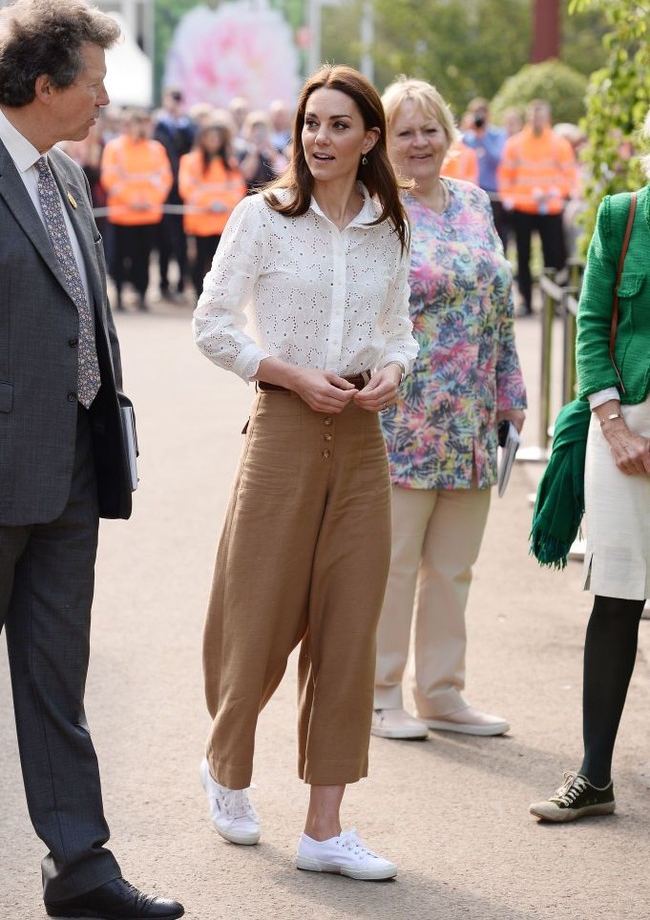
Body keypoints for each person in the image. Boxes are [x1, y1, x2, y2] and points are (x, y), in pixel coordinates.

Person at [193, 64, 418, 880]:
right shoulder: (263, 217)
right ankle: (226, 769)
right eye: (310, 123)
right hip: (284, 426)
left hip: (363, 436)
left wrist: (394, 368)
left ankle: (326, 827)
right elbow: (211, 325)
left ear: (368, 139)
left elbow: (399, 328)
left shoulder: (388, 226)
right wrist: (287, 374)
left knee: (349, 625)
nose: (319, 138)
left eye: (336, 125)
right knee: (258, 614)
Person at [0, 0, 183, 919]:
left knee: (56, 681)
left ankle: (81, 871)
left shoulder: (69, 174)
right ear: (44, 84)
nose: (107, 99)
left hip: (72, 470)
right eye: (96, 82)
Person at [371, 77, 527, 741]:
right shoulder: (375, 211)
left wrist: (511, 394)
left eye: (428, 128)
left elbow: (498, 309)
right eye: (404, 131)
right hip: (402, 416)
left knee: (454, 566)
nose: (418, 143)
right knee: (394, 561)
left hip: (470, 419)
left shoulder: (473, 201)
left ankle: (441, 691)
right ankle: (378, 692)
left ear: (448, 134)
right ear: (384, 141)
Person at [529, 114, 650, 823]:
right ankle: (593, 775)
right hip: (623, 430)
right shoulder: (622, 215)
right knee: (617, 596)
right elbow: (592, 322)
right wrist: (613, 424)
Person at [497, 99, 578, 316]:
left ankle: (554, 301)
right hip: (523, 207)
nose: (536, 121)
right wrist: (508, 198)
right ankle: (526, 301)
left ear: (548, 118)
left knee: (554, 256)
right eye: (533, 117)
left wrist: (555, 191)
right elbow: (505, 175)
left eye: (540, 117)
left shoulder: (559, 144)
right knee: (523, 257)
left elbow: (570, 176)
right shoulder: (515, 144)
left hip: (550, 209)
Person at [100, 108, 173, 311]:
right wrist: (132, 200)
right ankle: (120, 296)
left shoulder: (155, 148)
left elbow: (164, 178)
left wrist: (149, 200)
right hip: (122, 214)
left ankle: (141, 296)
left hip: (147, 214)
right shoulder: (114, 148)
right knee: (118, 258)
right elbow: (110, 178)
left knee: (144, 258)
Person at [178, 112, 246, 298]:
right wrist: (210, 202)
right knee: (199, 259)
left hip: (222, 222)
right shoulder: (190, 161)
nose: (213, 142)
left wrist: (222, 203)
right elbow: (187, 188)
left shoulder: (229, 163)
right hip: (200, 222)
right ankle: (198, 295)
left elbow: (237, 188)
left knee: (221, 262)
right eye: (210, 138)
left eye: (217, 138)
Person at [152, 87, 195, 300]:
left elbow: (191, 145)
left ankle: (180, 284)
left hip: (181, 191)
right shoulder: (158, 124)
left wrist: (180, 121)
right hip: (163, 191)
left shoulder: (187, 126)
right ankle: (162, 283)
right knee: (162, 241)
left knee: (180, 241)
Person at [462, 98, 509, 251]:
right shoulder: (466, 138)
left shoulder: (498, 135)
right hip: (472, 192)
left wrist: (482, 138)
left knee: (498, 232)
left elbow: (497, 159)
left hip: (493, 193)